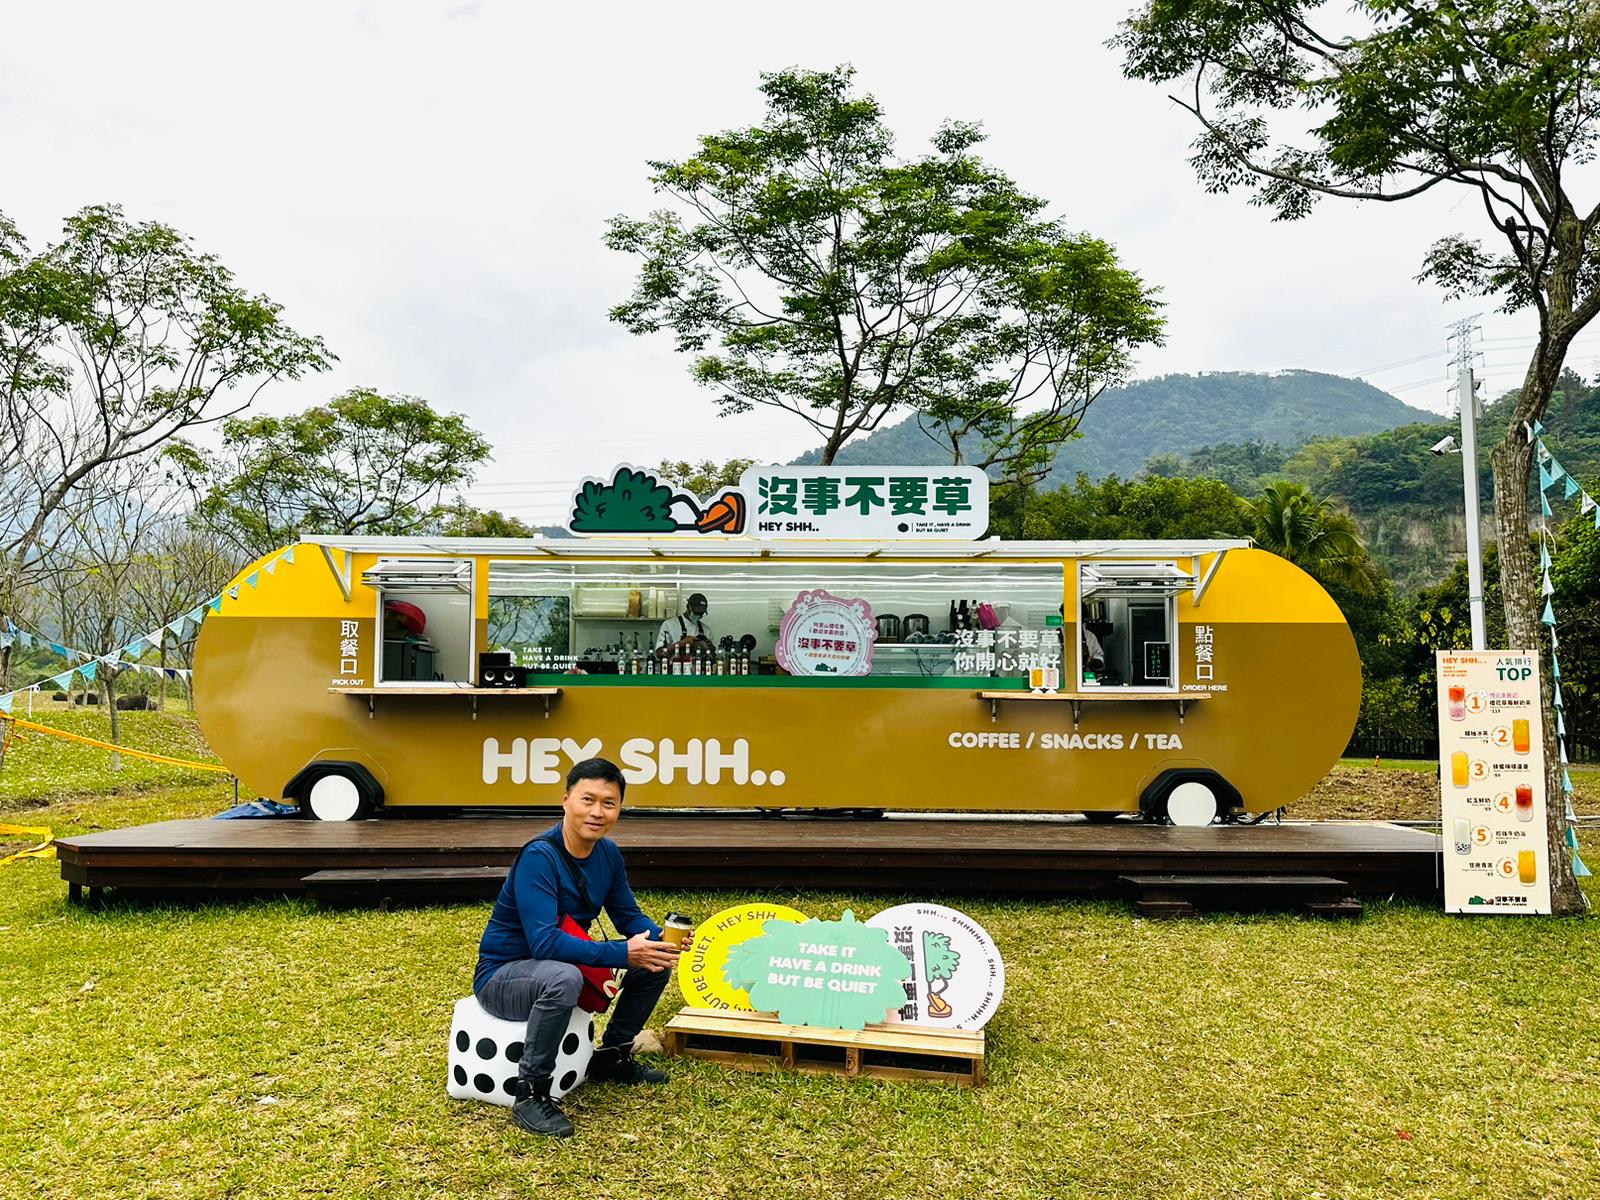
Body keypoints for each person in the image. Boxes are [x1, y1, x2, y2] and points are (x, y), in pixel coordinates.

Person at [474, 757, 683, 1138]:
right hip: (504, 977)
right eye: (588, 799)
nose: (597, 812)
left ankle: (613, 1056)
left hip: (561, 966)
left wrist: (662, 940)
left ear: (619, 809)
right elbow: (544, 943)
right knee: (564, 977)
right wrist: (624, 952)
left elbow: (628, 916)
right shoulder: (539, 857)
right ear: (566, 799)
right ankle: (531, 1092)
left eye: (609, 803)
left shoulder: (608, 854)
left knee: (654, 961)